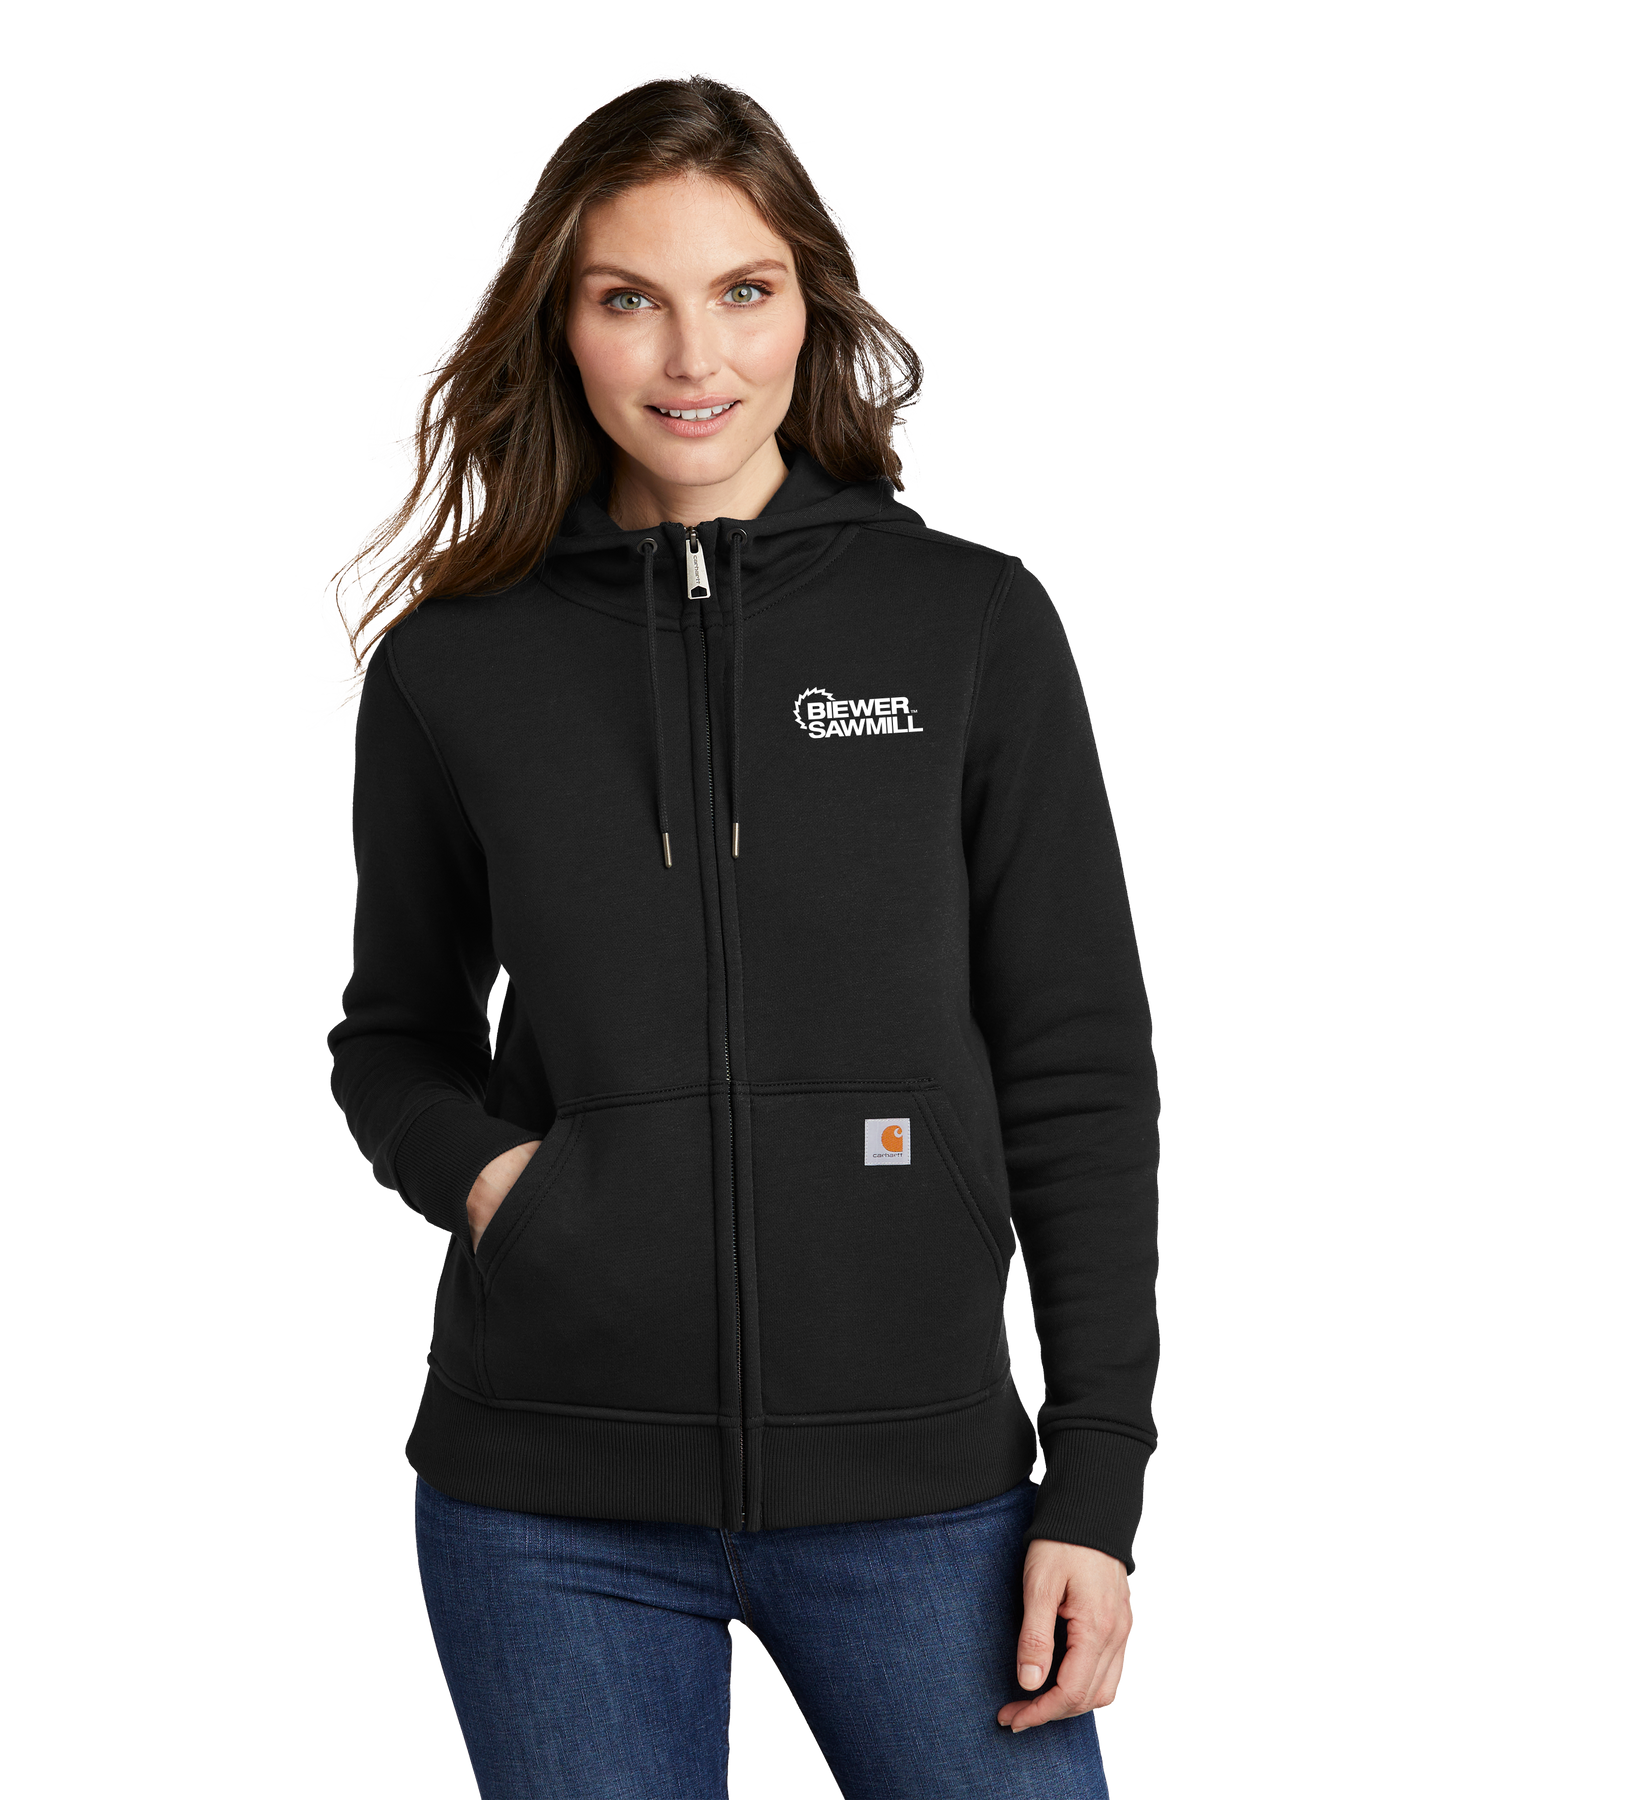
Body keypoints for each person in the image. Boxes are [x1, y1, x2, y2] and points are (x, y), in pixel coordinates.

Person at [315, 60, 1160, 1800]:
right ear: (561, 327)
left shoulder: (970, 623)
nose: (693, 357)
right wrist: (499, 1183)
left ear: (811, 309)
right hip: (543, 1509)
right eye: (629, 299)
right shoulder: (457, 665)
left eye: (744, 292)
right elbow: (388, 1032)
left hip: (927, 1491)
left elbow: (1079, 1066)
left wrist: (1097, 1486)